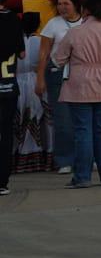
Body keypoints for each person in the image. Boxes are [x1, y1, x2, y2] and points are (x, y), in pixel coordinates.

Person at [51, 0, 101, 188]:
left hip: (79, 88)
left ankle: (82, 177)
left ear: (85, 10)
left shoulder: (74, 33)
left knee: (82, 132)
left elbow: (57, 60)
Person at [35, 0, 83, 174]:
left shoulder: (86, 22)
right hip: (57, 73)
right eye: (59, 4)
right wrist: (40, 78)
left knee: (83, 117)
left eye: (66, 4)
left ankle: (88, 157)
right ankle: (65, 159)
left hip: (83, 73)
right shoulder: (53, 24)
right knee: (63, 119)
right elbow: (43, 54)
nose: (62, 7)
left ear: (76, 5)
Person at [15, 10, 48, 173]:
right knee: (36, 118)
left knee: (19, 119)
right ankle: (36, 157)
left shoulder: (15, 41)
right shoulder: (42, 41)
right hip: (37, 82)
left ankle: (16, 157)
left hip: (17, 83)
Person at [0, 0, 23, 196]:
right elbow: (22, 53)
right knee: (5, 134)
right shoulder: (15, 20)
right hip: (8, 85)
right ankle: (2, 181)